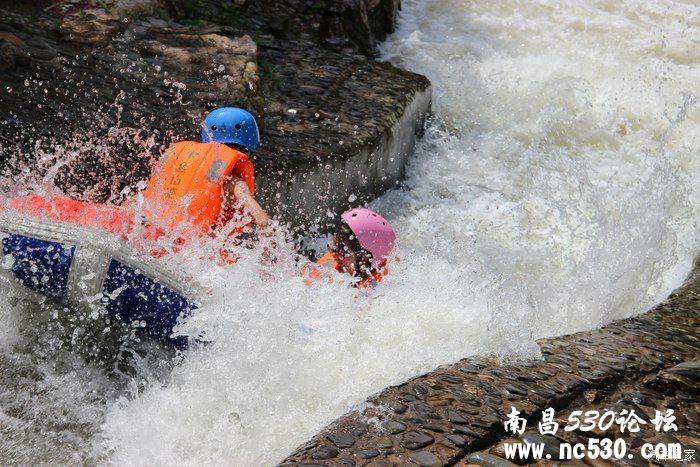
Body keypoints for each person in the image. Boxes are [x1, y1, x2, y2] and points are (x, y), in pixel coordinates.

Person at [138, 107, 269, 243]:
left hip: (153, 229)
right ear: (249, 150)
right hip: (189, 245)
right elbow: (262, 220)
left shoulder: (182, 167)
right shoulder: (233, 182)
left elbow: (143, 197)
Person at [303, 208, 396, 288]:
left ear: (365, 260)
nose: (334, 253)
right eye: (334, 245)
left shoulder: (375, 292)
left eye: (342, 250)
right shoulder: (329, 269)